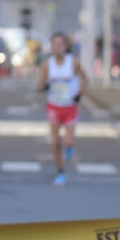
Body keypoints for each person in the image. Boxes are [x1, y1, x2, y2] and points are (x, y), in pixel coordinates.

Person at [36, 32, 88, 186]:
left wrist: (80, 94)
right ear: (51, 47)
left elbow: (85, 80)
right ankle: (60, 172)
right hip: (54, 106)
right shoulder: (47, 64)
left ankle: (70, 148)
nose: (58, 47)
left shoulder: (73, 63)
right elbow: (39, 85)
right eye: (55, 44)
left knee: (69, 141)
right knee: (55, 142)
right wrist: (44, 86)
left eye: (61, 44)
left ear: (66, 46)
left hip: (70, 106)